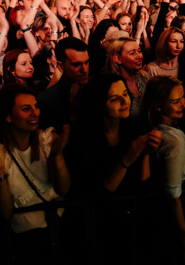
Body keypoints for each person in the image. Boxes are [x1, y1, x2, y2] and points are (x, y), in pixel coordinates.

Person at [64, 73, 161, 264]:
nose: (124, 102)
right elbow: (99, 193)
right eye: (114, 98)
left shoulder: (132, 128)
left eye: (125, 94)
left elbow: (143, 185)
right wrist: (128, 158)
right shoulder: (82, 137)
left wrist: (146, 153)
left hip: (129, 221)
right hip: (96, 226)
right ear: (99, 102)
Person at [0, 85, 70, 264]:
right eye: (26, 109)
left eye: (36, 106)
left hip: (59, 226)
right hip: (25, 239)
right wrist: (1, 172)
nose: (35, 113)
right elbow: (4, 212)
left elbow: (64, 190)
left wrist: (57, 158)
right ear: (8, 116)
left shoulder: (48, 140)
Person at [140, 76, 185, 264]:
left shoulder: (166, 130)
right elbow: (174, 194)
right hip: (173, 217)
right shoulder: (173, 141)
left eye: (183, 98)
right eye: (176, 101)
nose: (183, 104)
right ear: (158, 106)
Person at [38, 37, 89, 129]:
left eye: (87, 62)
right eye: (76, 64)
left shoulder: (97, 89)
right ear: (61, 66)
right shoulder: (47, 100)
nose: (84, 70)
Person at [105, 37, 149, 120]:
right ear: (118, 58)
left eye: (139, 51)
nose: (139, 56)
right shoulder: (112, 86)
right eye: (132, 53)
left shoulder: (146, 78)